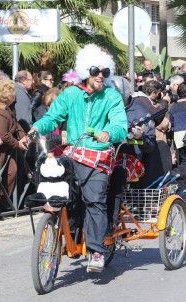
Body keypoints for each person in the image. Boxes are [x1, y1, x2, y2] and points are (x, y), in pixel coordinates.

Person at [29, 44, 128, 273]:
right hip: (73, 153)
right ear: (86, 71)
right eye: (95, 71)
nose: (101, 76)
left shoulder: (111, 97)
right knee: (55, 186)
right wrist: (36, 128)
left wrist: (110, 132)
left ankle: (95, 250)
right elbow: (53, 118)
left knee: (94, 200)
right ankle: (57, 230)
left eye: (106, 72)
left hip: (98, 157)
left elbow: (121, 126)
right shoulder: (71, 94)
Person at [0, 80, 27, 213]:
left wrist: (23, 136)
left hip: (7, 150)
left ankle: (1, 203)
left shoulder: (6, 109)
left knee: (11, 173)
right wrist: (17, 143)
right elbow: (2, 134)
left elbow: (15, 124)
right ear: (8, 96)